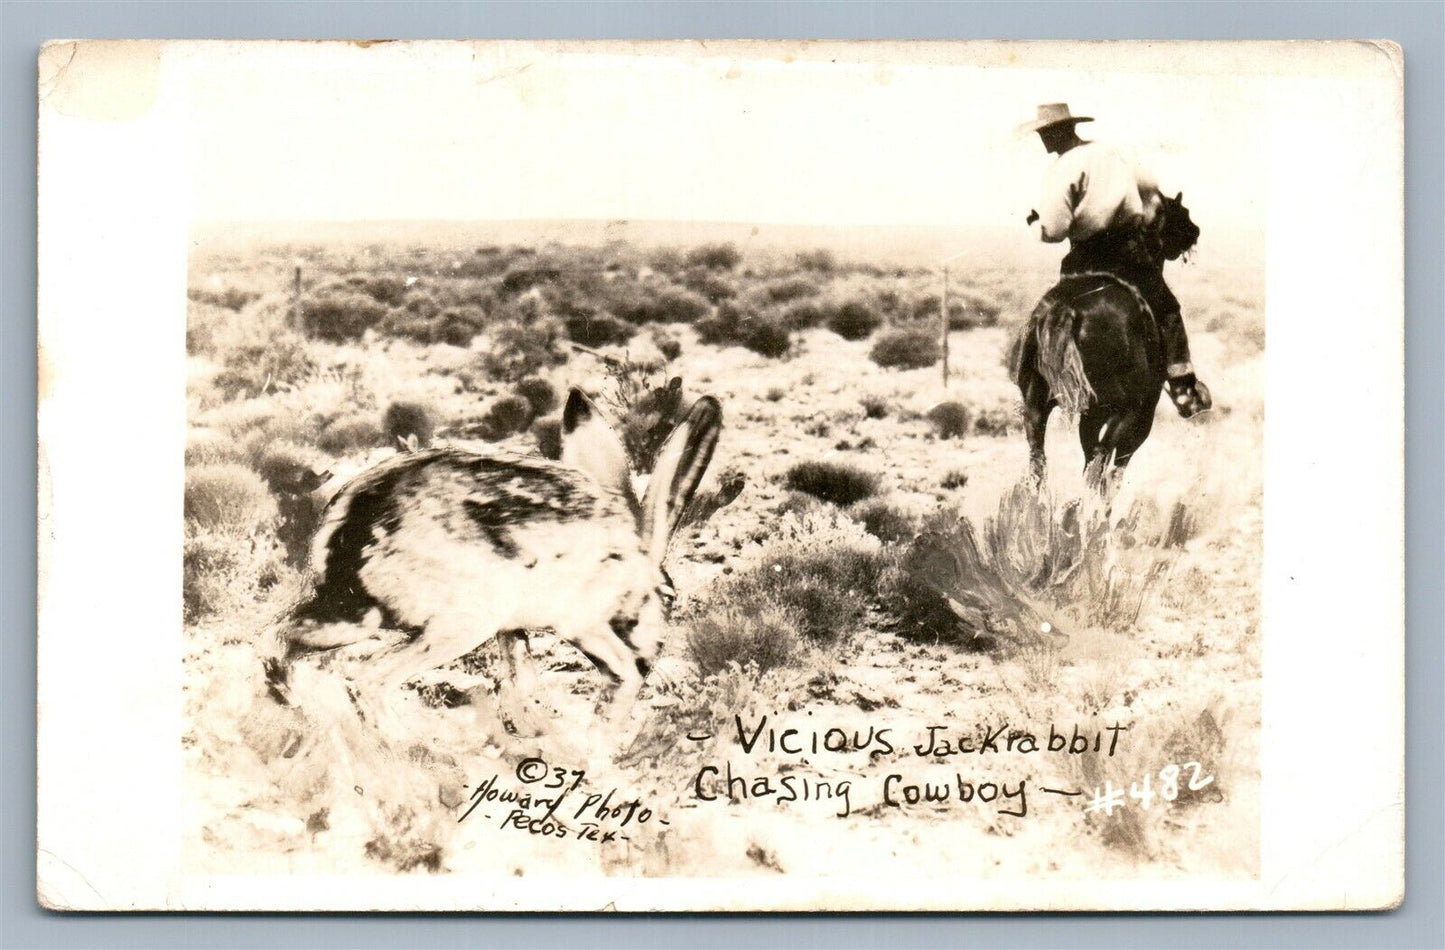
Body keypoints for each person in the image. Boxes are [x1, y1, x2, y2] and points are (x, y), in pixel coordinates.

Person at [1020, 103, 1211, 417]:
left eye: (1045, 132)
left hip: (1084, 260)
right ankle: (1183, 389)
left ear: (1059, 131)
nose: (1043, 139)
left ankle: (1033, 382)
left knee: (1048, 312)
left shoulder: (1061, 169)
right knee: (1166, 308)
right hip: (1129, 253)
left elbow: (1054, 230)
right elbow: (1150, 190)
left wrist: (1033, 226)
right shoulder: (1112, 153)